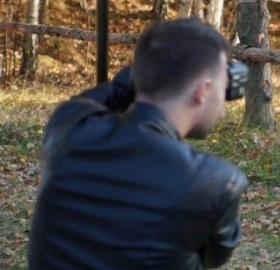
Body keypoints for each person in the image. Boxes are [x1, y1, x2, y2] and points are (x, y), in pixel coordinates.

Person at [28, 19, 249, 269]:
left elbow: (93, 99)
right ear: (203, 91)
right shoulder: (213, 183)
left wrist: (146, 75)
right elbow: (215, 256)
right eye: (223, 87)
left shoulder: (68, 129)